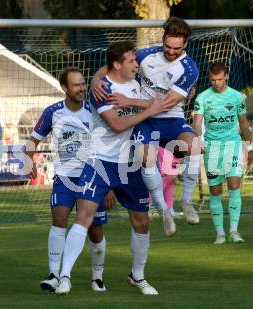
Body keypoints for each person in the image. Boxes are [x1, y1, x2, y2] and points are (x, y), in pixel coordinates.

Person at [54, 41, 169, 296]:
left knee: (142, 221)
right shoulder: (102, 88)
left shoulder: (136, 83)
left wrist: (149, 103)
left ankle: (138, 277)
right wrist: (149, 108)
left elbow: (158, 101)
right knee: (84, 218)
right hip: (100, 161)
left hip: (129, 163)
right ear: (117, 64)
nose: (136, 64)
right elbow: (117, 124)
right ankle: (64, 277)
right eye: (130, 61)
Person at [92, 16, 201, 237]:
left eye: (176, 48)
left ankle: (187, 201)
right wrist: (96, 80)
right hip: (144, 120)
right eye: (167, 46)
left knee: (194, 147)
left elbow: (166, 104)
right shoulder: (146, 54)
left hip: (171, 119)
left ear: (185, 44)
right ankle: (163, 210)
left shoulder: (189, 69)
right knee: (146, 157)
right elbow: (109, 67)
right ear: (163, 40)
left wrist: (129, 101)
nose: (171, 51)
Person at [25, 67, 116, 293]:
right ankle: (54, 274)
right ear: (64, 88)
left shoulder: (94, 111)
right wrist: (29, 163)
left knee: (95, 231)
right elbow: (32, 141)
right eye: (76, 85)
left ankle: (97, 277)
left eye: (84, 83)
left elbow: (109, 147)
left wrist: (109, 185)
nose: (82, 88)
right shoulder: (52, 112)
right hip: (64, 178)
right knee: (59, 220)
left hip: (93, 178)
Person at [193, 62, 253, 244]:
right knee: (215, 191)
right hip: (212, 148)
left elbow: (243, 123)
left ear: (226, 76)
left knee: (235, 186)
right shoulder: (203, 98)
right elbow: (197, 122)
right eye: (213, 80)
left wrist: (249, 146)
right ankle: (220, 233)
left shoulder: (236, 97)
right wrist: (199, 139)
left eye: (219, 79)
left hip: (232, 145)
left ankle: (234, 231)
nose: (216, 83)